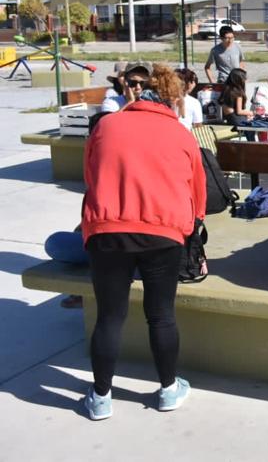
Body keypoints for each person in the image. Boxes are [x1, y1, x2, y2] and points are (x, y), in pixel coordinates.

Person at [80, 64, 206, 420]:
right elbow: (197, 196)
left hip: (107, 230)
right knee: (161, 315)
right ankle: (168, 389)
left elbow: (90, 175)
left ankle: (101, 398)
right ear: (173, 101)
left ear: (137, 94)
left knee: (109, 317)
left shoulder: (106, 125)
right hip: (163, 232)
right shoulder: (181, 134)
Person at [221, 68, 255, 140]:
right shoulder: (238, 94)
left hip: (229, 119)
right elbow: (239, 111)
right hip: (236, 120)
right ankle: (252, 146)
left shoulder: (226, 89)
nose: (246, 80)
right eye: (244, 79)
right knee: (253, 127)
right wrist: (253, 112)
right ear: (239, 80)